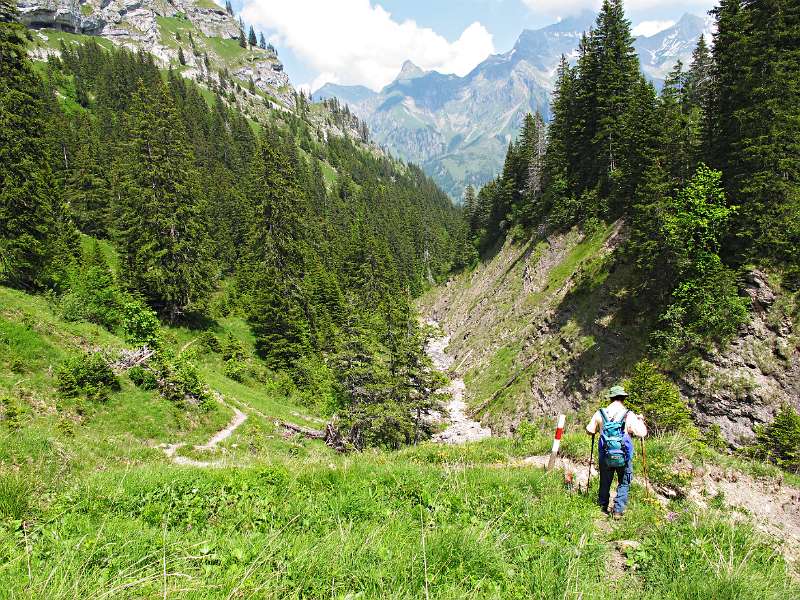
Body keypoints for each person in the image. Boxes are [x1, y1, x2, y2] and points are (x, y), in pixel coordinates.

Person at [585, 385, 647, 519]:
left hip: (605, 454)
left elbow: (590, 430)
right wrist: (640, 420)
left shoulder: (600, 413)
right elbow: (642, 433)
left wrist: (599, 428)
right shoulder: (628, 414)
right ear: (623, 398)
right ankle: (618, 510)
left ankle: (602, 507)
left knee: (605, 481)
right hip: (623, 455)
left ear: (611, 398)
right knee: (624, 482)